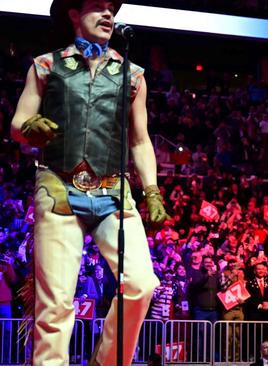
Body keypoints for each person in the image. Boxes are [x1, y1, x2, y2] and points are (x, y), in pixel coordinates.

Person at [10, 0, 168, 364]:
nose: (109, 14)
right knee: (56, 306)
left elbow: (141, 140)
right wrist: (29, 129)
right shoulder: (47, 65)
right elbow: (18, 123)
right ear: (73, 15)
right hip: (58, 189)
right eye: (97, 6)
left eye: (111, 8)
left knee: (142, 284)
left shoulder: (133, 75)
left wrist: (153, 191)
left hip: (115, 190)